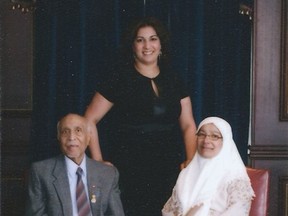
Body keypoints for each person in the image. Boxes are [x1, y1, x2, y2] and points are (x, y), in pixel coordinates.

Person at [84, 17, 197, 215]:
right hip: (130, 165)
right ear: (132, 46)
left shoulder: (174, 78)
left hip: (168, 163)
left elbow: (188, 124)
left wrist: (191, 160)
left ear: (161, 44)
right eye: (140, 40)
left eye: (153, 39)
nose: (147, 46)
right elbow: (89, 120)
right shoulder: (118, 78)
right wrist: (98, 161)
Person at [25, 113, 125, 216]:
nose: (71, 137)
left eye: (78, 131)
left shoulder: (108, 173)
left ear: (88, 138)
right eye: (65, 132)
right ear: (59, 137)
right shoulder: (41, 172)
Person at [162, 117, 255, 216]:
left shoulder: (234, 178)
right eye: (202, 134)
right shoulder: (186, 173)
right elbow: (169, 212)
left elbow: (238, 213)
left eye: (215, 136)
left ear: (226, 141)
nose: (206, 140)